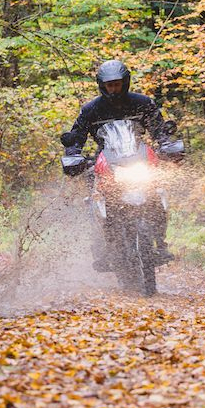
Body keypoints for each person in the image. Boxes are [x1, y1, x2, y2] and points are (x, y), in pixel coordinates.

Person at [62, 59, 174, 271]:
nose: (114, 88)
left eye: (117, 83)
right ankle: (102, 249)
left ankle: (160, 244)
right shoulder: (91, 110)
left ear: (125, 82)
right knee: (93, 197)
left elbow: (159, 129)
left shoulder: (142, 103)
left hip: (137, 157)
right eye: (109, 84)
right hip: (106, 160)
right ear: (102, 85)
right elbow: (76, 136)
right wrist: (73, 154)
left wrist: (167, 144)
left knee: (157, 192)